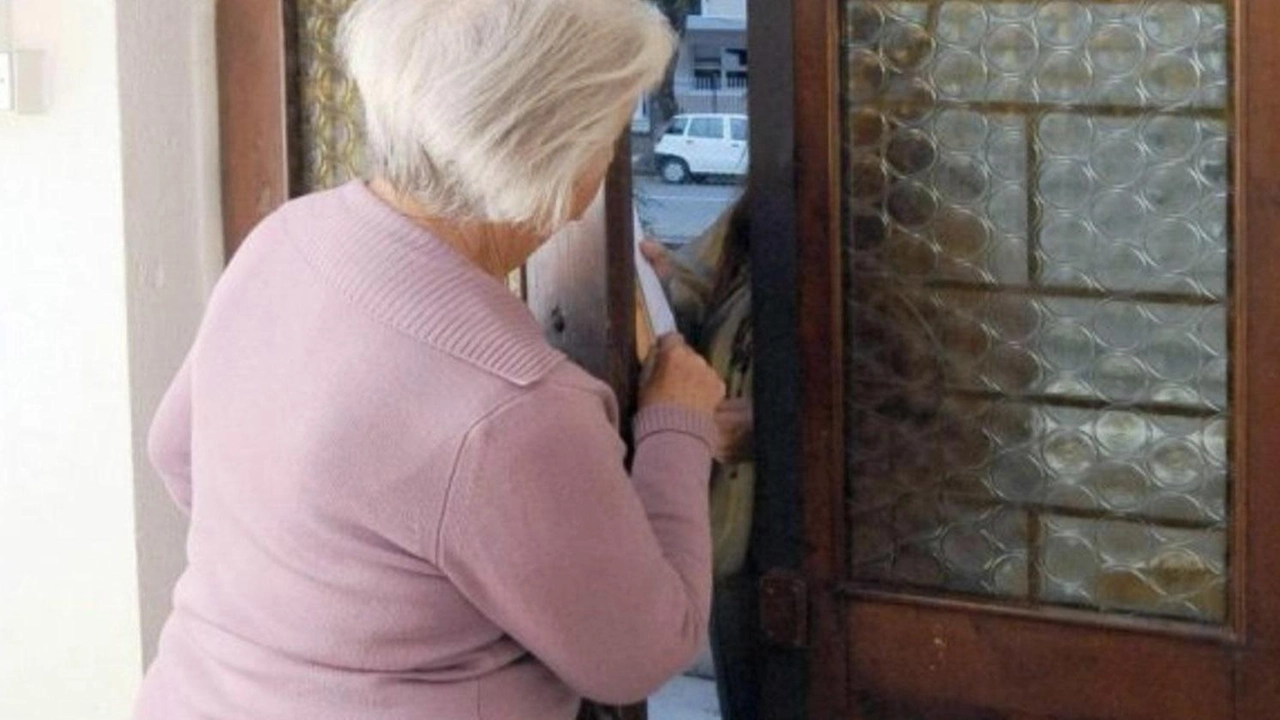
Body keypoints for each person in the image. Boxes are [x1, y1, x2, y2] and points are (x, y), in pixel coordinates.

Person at [133, 1, 725, 718]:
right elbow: (640, 653)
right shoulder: (514, 404)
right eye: (610, 131)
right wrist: (677, 425)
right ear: (562, 163)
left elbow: (175, 451)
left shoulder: (287, 239)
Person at [642, 197, 758, 720]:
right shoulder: (760, 205)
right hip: (736, 527)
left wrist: (777, 424)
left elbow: (916, 398)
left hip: (848, 543)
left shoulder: (910, 228)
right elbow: (696, 285)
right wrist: (660, 282)